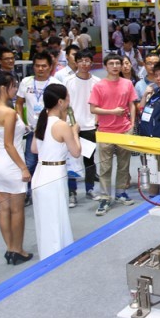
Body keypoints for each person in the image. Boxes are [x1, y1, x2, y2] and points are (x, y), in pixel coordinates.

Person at [0, 71, 32, 265]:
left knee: (4, 207)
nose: (16, 89)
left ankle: (10, 248)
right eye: (13, 86)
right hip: (11, 163)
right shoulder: (8, 112)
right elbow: (10, 145)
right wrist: (23, 168)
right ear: (3, 88)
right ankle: (18, 250)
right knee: (17, 210)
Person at [30, 84, 81, 259]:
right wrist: (74, 132)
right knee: (56, 218)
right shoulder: (61, 125)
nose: (69, 101)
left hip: (40, 173)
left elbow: (34, 149)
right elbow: (76, 152)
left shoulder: (42, 120)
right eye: (67, 98)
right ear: (60, 102)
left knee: (46, 220)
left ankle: (49, 255)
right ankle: (57, 257)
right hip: (54, 174)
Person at [89, 53, 138, 215]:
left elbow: (132, 104)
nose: (115, 66)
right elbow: (93, 109)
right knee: (105, 167)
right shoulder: (99, 86)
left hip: (124, 130)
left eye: (118, 63)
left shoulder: (127, 83)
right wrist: (112, 111)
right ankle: (104, 197)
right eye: (111, 63)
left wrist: (132, 124)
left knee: (124, 165)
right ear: (105, 66)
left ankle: (120, 192)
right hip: (105, 131)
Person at [16, 52, 62, 190]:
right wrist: (22, 122)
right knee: (30, 163)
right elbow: (19, 103)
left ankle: (47, 189)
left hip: (50, 130)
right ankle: (29, 192)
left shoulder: (56, 84)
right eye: (37, 66)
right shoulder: (26, 82)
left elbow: (63, 107)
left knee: (49, 162)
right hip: (32, 130)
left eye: (44, 66)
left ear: (50, 67)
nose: (40, 69)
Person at [63, 49, 100, 203]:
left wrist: (97, 121)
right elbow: (64, 104)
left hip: (90, 126)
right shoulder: (68, 81)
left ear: (91, 63)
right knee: (71, 161)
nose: (84, 64)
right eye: (81, 60)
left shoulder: (97, 82)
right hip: (71, 126)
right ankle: (72, 192)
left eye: (87, 60)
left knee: (89, 160)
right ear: (76, 62)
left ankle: (90, 189)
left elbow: (99, 104)